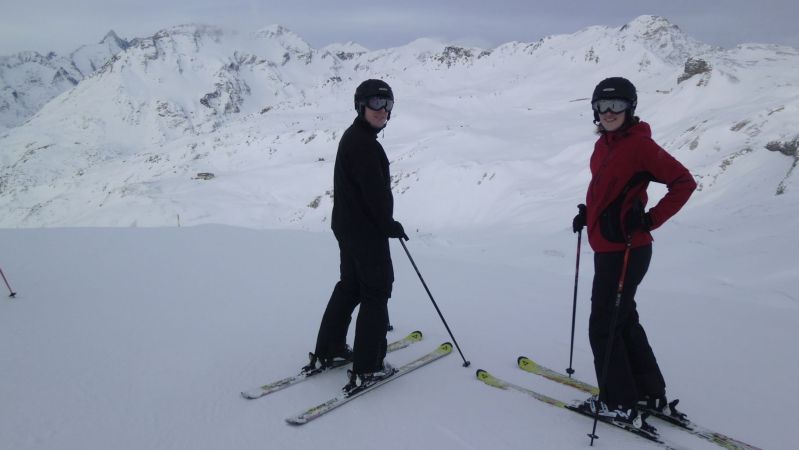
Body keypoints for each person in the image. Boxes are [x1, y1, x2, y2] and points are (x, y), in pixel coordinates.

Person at [572, 77, 697, 429]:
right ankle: (647, 392)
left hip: (626, 251)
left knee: (603, 326)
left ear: (631, 108)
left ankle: (619, 403)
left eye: (617, 105)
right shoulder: (604, 145)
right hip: (610, 247)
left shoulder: (640, 145)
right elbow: (611, 192)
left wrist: (650, 219)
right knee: (622, 319)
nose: (609, 112)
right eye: (602, 105)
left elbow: (684, 182)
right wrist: (589, 214)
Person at [305, 79, 409, 393]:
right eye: (376, 103)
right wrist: (389, 225)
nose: (383, 110)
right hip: (366, 232)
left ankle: (331, 348)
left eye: (388, 104)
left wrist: (385, 223)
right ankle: (369, 365)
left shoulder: (355, 137)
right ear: (361, 105)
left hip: (349, 227)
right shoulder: (364, 145)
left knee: (351, 286)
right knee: (376, 291)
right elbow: (374, 196)